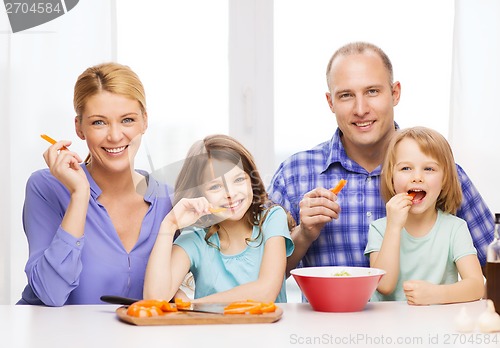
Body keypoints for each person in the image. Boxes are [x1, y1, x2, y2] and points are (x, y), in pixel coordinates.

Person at [267, 41, 494, 277]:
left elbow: (493, 262)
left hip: (423, 314)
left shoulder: (440, 174)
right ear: (330, 102)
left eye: (372, 91)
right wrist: (303, 235)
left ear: (395, 93)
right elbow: (258, 277)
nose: (361, 109)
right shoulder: (294, 173)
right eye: (346, 95)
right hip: (330, 315)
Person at [18, 62, 172, 306]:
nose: (114, 135)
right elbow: (51, 294)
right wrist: (80, 195)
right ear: (79, 128)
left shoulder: (170, 200)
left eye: (128, 120)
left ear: (145, 120)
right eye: (99, 122)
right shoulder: (46, 187)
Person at [144, 134, 294, 303]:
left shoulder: (272, 219)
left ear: (251, 181)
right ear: (199, 194)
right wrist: (169, 225)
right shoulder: (195, 240)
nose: (230, 194)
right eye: (215, 186)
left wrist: (192, 305)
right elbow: (155, 298)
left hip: (267, 330)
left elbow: (266, 292)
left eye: (238, 179)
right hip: (212, 330)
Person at [364, 127, 484, 304]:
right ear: (391, 178)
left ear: (444, 179)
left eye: (429, 168)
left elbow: (476, 286)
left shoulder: (455, 228)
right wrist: (394, 227)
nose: (417, 177)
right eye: (406, 168)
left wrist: (437, 294)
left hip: (437, 326)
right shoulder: (380, 228)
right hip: (387, 326)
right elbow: (384, 285)